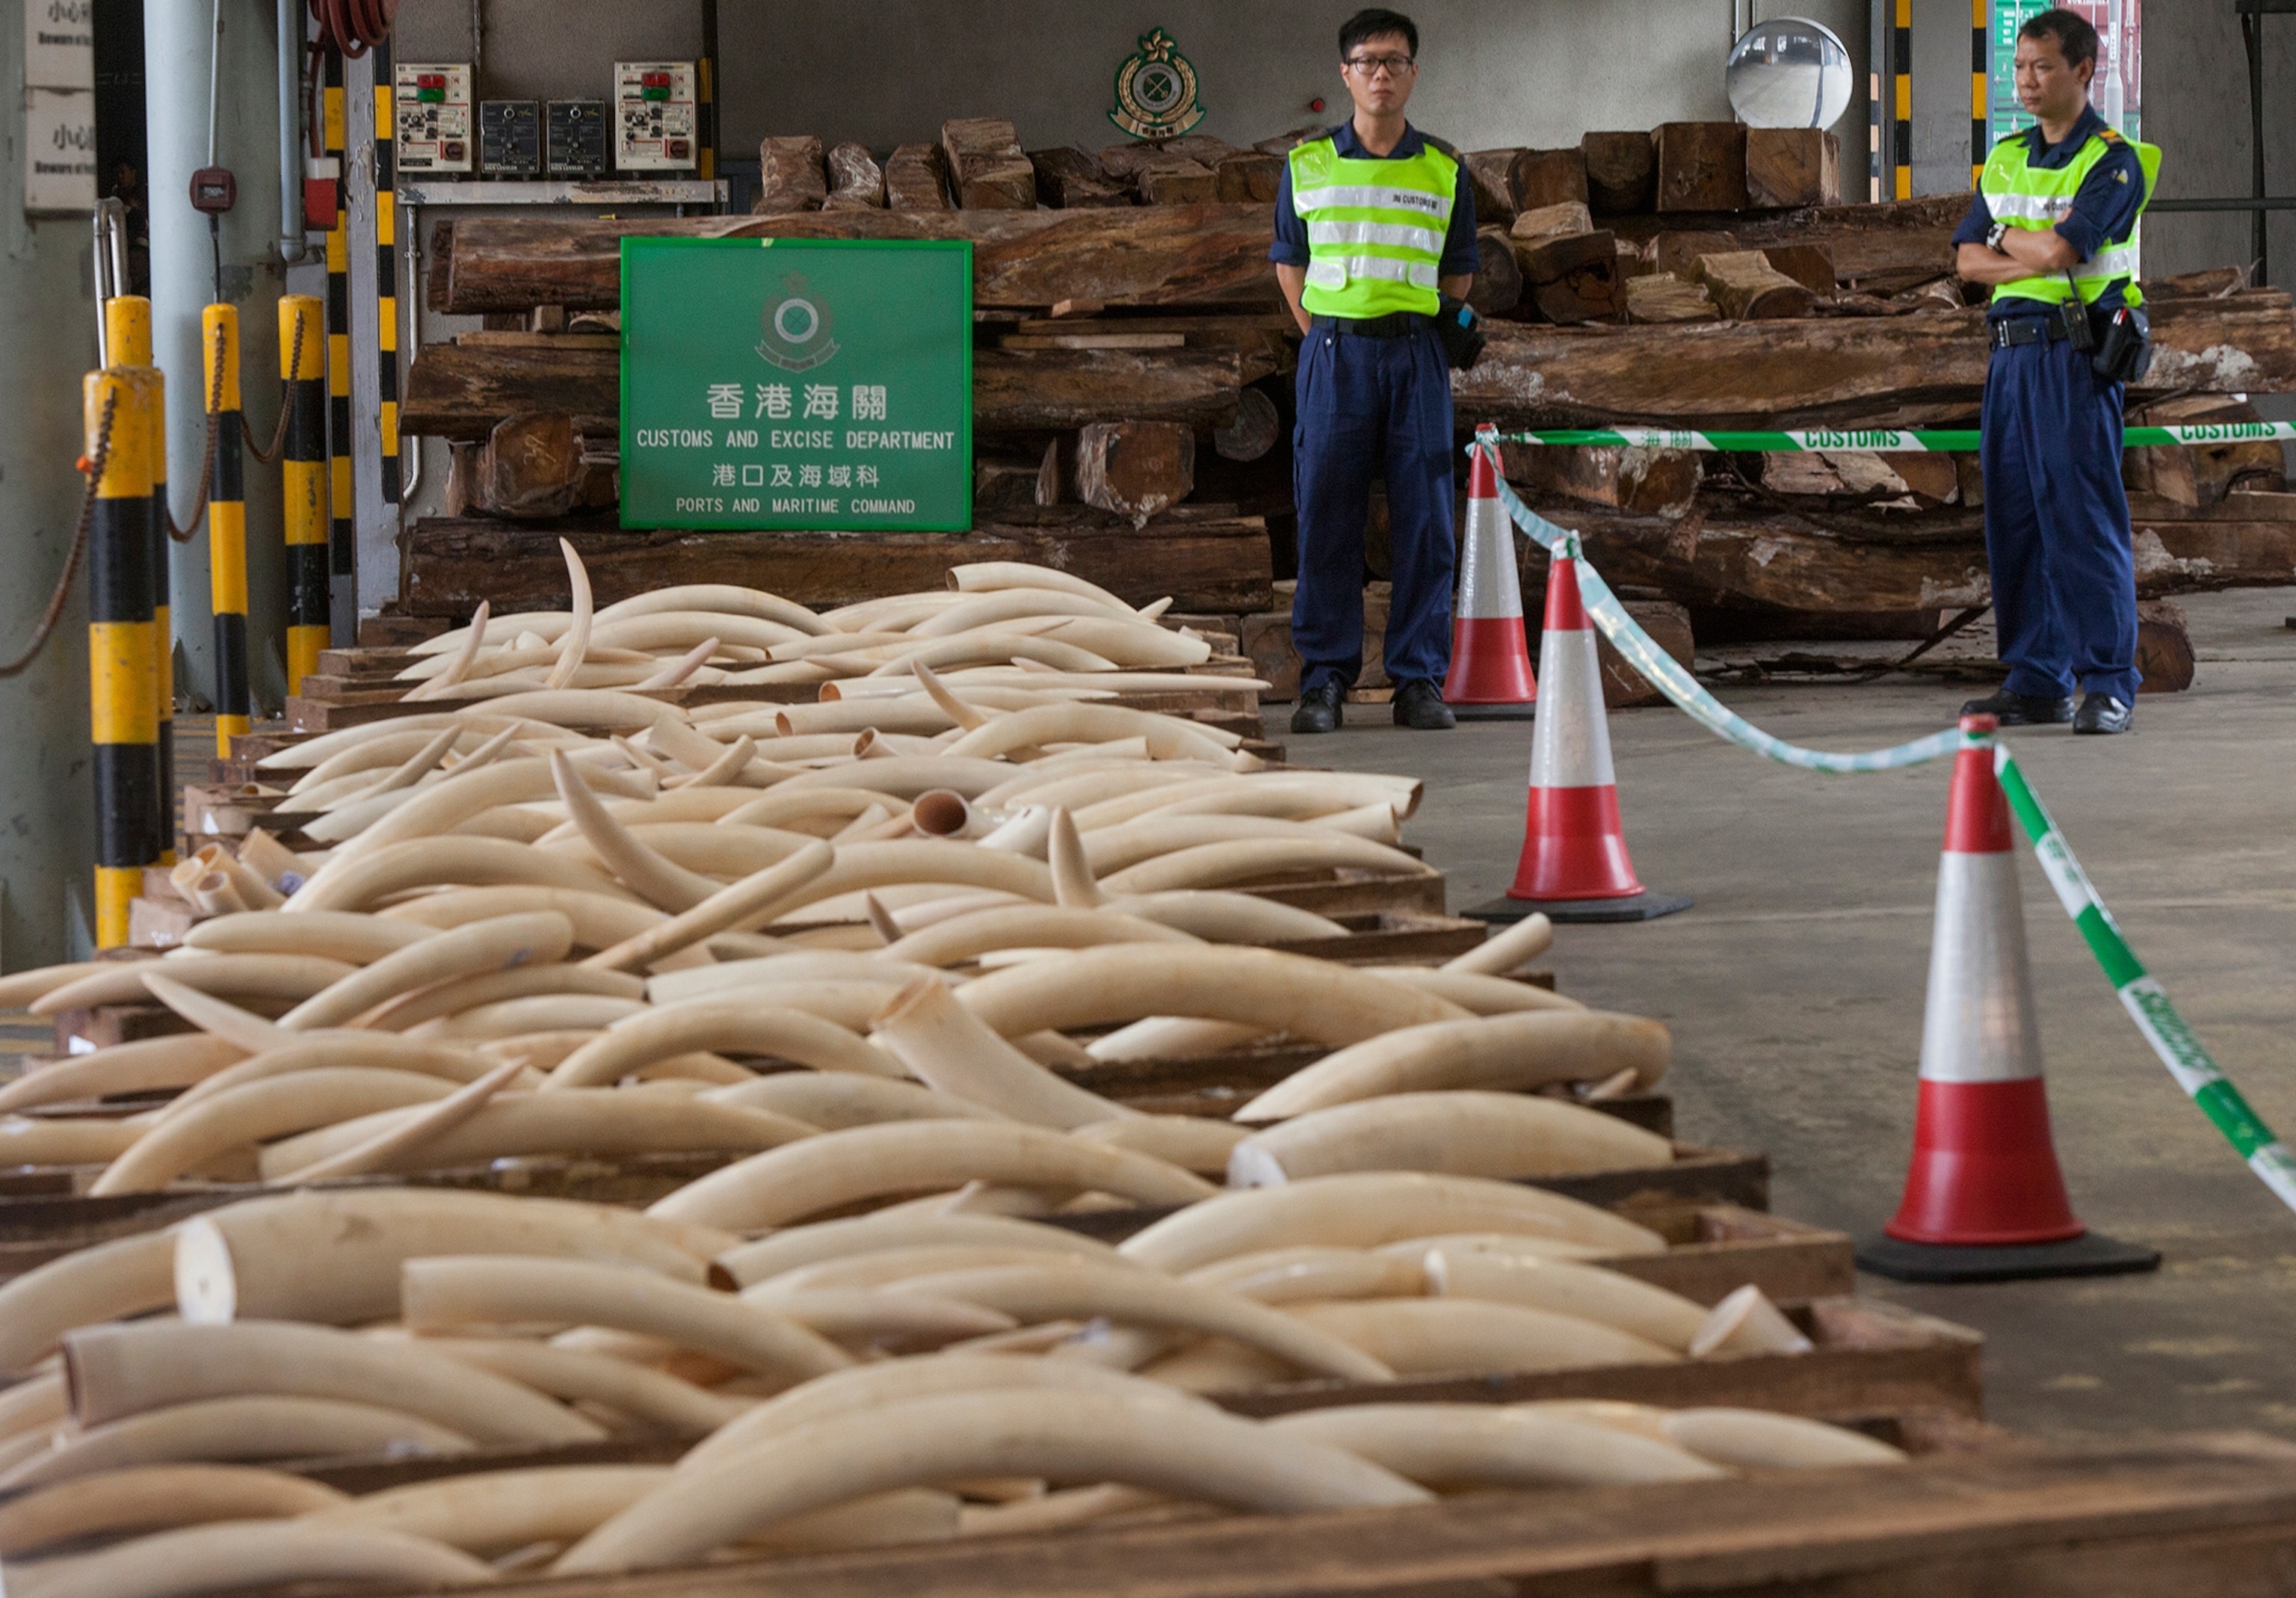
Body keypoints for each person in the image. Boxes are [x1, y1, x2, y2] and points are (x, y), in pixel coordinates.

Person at [1270, 7, 1479, 733]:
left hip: (1415, 357)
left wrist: (1412, 334)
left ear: (1413, 74)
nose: (1380, 73)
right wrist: (1327, 335)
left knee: (1426, 519)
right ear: (1346, 75)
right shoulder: (1307, 166)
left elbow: (1458, 276)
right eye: (1367, 61)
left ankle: (1417, 681)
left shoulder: (1445, 171)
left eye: (1393, 61)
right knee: (1327, 513)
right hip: (1335, 356)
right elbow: (1289, 265)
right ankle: (1323, 681)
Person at [1952, 7, 2158, 735]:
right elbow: (1965, 260)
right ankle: (2038, 677)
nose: (2028, 82)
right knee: (2017, 518)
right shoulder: (2006, 156)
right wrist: (2020, 243)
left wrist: (2005, 238)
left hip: (2073, 357)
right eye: (2020, 68)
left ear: (2083, 70)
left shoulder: (2113, 160)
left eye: (2043, 67)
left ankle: (2108, 681)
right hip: (2008, 358)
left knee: (2081, 518)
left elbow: (2060, 253)